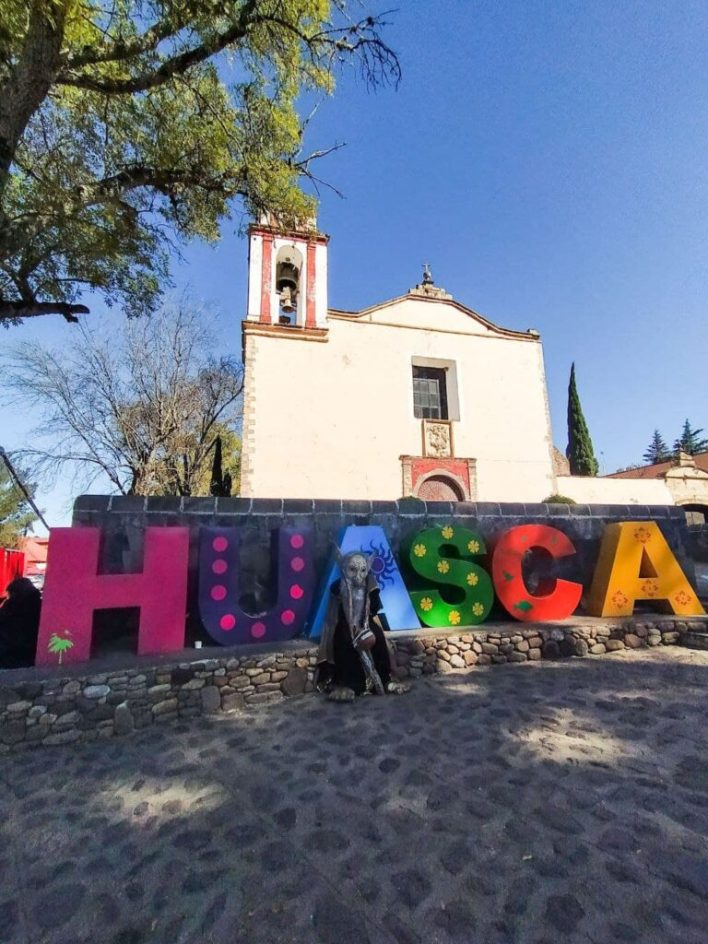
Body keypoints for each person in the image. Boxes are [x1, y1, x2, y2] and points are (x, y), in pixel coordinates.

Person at [315, 550, 409, 702]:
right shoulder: (338, 587)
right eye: (353, 570)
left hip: (365, 622)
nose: (358, 576)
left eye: (362, 570)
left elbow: (374, 608)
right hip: (345, 623)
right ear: (345, 569)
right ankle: (351, 685)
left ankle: (385, 681)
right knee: (344, 642)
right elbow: (332, 614)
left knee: (377, 636)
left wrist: (365, 624)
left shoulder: (370, 585)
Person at [0, 577, 41, 669]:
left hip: (11, 654)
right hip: (32, 655)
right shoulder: (40, 606)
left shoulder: (11, 606)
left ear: (14, 593)